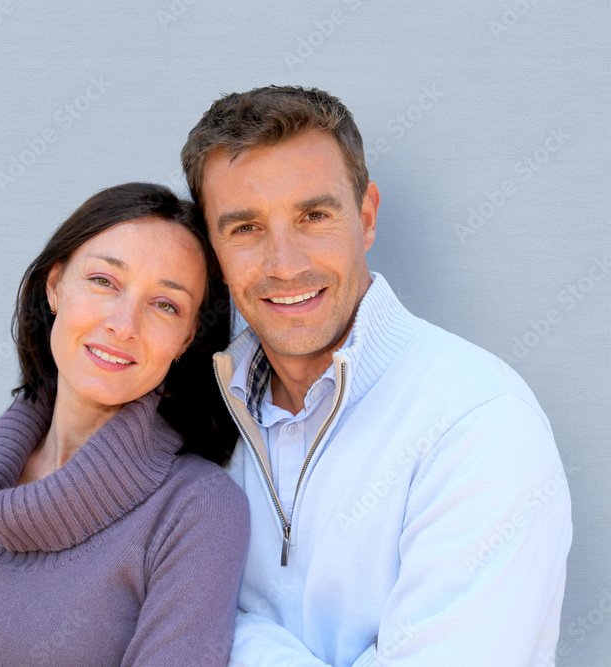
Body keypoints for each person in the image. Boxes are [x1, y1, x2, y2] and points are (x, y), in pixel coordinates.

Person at [179, 86, 573, 666]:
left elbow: (171, 625)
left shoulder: (479, 423)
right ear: (212, 250)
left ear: (364, 219)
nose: (284, 265)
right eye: (245, 228)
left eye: (314, 216)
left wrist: (219, 635)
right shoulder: (198, 417)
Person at [0, 182, 250, 666]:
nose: (124, 324)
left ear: (187, 339)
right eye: (104, 281)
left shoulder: (198, 508)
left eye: (165, 305)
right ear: (55, 285)